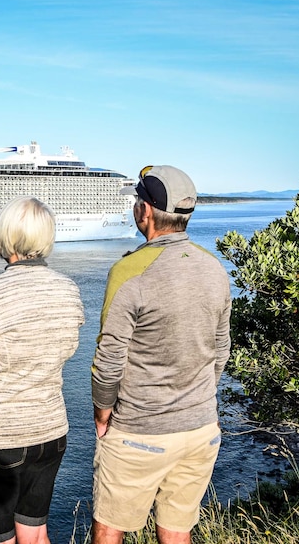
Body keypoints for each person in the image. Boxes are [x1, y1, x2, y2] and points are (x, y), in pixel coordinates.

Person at [90, 165, 232, 544]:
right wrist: (196, 398)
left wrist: (103, 414)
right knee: (176, 530)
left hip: (140, 429)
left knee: (109, 527)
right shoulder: (214, 268)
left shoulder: (130, 270)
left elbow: (108, 361)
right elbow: (221, 351)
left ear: (145, 212)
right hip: (201, 429)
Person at [0, 196, 85, 544]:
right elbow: (67, 350)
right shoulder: (69, 291)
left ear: (4, 235)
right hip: (50, 429)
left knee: (0, 539)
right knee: (36, 532)